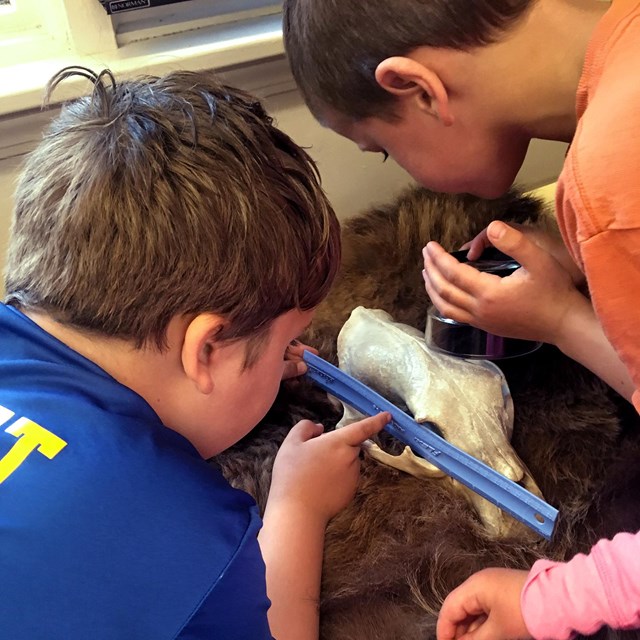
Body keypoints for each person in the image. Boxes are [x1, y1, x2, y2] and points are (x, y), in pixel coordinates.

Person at [282, 0, 640, 638]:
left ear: (417, 87)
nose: (400, 167)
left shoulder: (615, 179)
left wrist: (560, 318)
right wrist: (580, 243)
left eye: (385, 150)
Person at [0, 65, 390, 640]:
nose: (295, 355)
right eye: (283, 342)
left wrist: (252, 363)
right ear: (207, 348)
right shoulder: (190, 541)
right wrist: (296, 510)